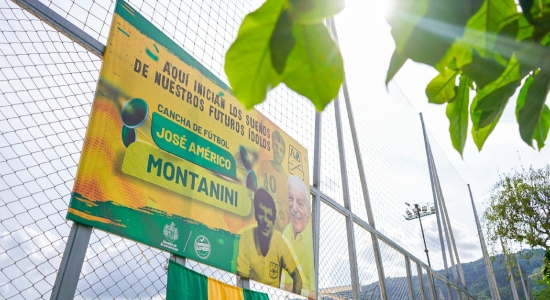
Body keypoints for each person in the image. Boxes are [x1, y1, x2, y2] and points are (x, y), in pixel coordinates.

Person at [237, 188, 302, 293]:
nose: (266, 221)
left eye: (269, 216)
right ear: (256, 215)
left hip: (272, 296)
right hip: (251, 294)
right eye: (261, 213)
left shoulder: (279, 241)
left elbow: (298, 279)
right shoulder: (247, 237)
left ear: (274, 219)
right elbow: (240, 276)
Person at [281, 175, 316, 298]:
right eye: (291, 198)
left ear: (309, 211)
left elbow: (312, 292)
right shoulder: (286, 232)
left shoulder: (312, 240)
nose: (294, 208)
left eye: (300, 203)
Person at [256, 130, 289, 232]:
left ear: (284, 155)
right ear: (273, 148)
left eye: (281, 150)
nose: (278, 151)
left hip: (280, 227)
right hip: (264, 219)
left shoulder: (286, 179)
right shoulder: (264, 165)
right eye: (276, 147)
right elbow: (258, 189)